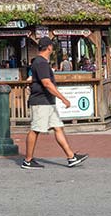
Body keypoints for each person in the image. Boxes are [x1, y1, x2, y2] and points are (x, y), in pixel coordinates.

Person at [21, 37, 88, 170]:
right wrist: (63, 98)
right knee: (35, 129)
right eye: (52, 46)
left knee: (58, 127)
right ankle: (28, 161)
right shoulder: (41, 63)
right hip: (41, 101)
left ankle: (71, 157)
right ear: (49, 47)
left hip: (47, 102)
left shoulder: (39, 62)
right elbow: (46, 83)